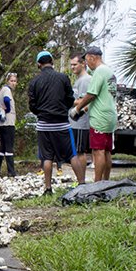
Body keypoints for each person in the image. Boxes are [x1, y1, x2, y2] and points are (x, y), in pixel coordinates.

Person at [27, 50, 74, 195]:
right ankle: (82, 185)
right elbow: (70, 98)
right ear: (52, 62)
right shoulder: (63, 78)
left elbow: (32, 105)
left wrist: (41, 113)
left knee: (47, 157)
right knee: (72, 155)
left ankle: (48, 188)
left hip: (44, 123)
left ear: (38, 64)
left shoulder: (34, 82)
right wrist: (63, 109)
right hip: (61, 123)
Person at [72, 45, 117, 182]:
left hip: (99, 117)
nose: (87, 63)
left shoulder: (99, 72)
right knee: (107, 151)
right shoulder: (110, 71)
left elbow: (91, 94)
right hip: (110, 115)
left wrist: (77, 108)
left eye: (87, 60)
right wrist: (85, 108)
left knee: (98, 151)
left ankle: (97, 184)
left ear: (92, 57)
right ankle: (106, 181)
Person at [67, 52, 90, 184]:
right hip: (74, 122)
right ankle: (80, 180)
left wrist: (68, 100)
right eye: (71, 65)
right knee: (75, 152)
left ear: (83, 64)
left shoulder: (86, 80)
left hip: (81, 122)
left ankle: (82, 182)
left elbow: (86, 100)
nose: (72, 67)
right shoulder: (79, 80)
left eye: (75, 64)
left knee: (80, 152)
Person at [0, 72, 18, 177]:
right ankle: (11, 171)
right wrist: (8, 109)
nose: (13, 83)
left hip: (0, 123)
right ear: (7, 81)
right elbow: (6, 100)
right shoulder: (7, 90)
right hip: (8, 122)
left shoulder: (2, 90)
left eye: (15, 81)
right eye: (11, 81)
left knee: (2, 146)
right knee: (9, 146)